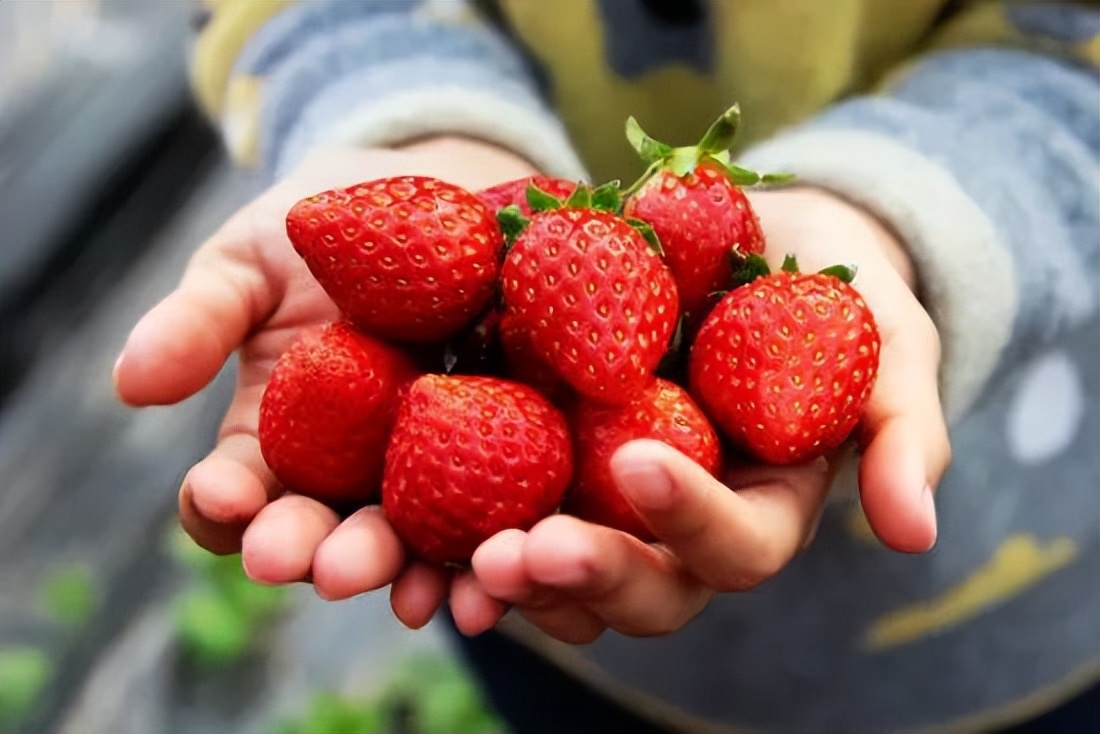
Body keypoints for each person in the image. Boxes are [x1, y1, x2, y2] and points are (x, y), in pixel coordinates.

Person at [114, 1, 1099, 731]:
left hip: (1025, 580)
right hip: (550, 599)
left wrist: (887, 217)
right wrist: (412, 130)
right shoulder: (538, 329)